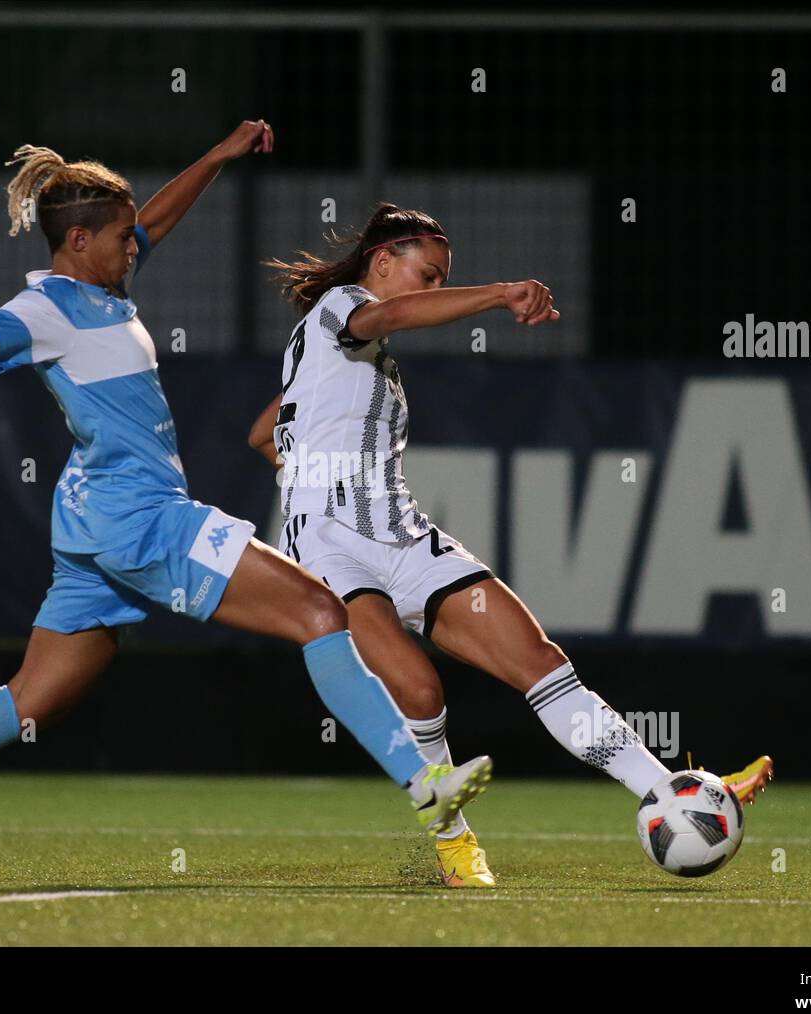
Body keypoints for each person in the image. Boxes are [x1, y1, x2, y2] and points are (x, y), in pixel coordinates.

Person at [0, 127, 492, 886]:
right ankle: (423, 781)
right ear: (77, 241)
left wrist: (217, 156)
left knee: (30, 697)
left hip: (93, 524)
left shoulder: (102, 286)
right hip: (140, 517)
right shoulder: (45, 308)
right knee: (320, 611)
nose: (135, 245)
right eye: (119, 236)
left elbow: (159, 219)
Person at [249, 203, 773, 888]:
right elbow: (388, 316)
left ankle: (670, 787)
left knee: (540, 661)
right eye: (428, 275)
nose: (433, 291)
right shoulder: (345, 306)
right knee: (418, 686)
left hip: (401, 531)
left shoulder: (348, 357)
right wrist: (498, 294)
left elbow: (264, 433)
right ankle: (452, 840)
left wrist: (300, 455)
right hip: (331, 545)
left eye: (442, 281)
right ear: (383, 262)